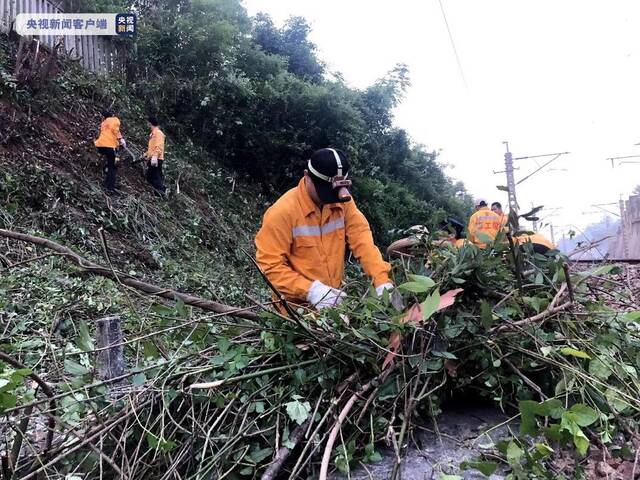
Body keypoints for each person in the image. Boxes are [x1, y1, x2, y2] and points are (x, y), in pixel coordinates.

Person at [255, 148, 393, 310]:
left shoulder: (341, 201)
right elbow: (269, 266)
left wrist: (381, 279)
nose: (330, 200)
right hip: (294, 313)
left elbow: (361, 238)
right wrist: (311, 291)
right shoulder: (282, 212)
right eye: (325, 192)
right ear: (307, 176)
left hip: (334, 305)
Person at [94, 110, 126, 193]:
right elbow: (115, 130)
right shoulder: (114, 120)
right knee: (113, 167)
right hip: (109, 146)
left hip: (100, 145)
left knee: (110, 162)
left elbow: (110, 133)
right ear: (112, 115)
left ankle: (107, 182)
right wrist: (121, 139)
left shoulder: (104, 123)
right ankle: (110, 188)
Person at [144, 116, 166, 195]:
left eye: (147, 122)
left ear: (150, 123)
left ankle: (160, 192)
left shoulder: (158, 133)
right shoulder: (153, 134)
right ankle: (157, 192)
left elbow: (159, 146)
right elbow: (152, 148)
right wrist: (146, 154)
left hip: (157, 158)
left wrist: (155, 156)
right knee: (150, 176)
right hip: (153, 157)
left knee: (156, 176)